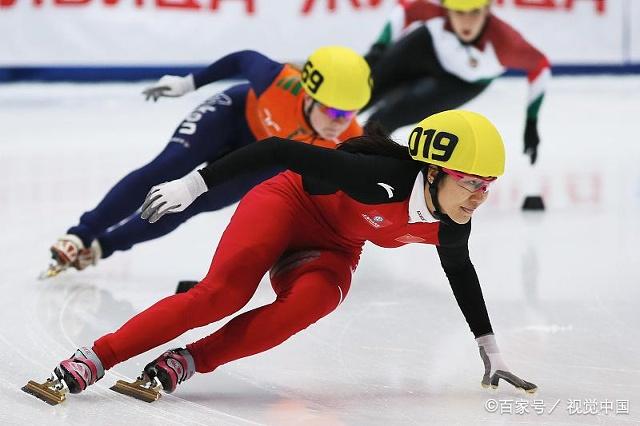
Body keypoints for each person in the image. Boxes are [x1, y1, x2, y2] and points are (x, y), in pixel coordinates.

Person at [26, 110, 536, 405]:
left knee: (319, 299)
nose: (478, 197)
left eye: (487, 187)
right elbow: (275, 149)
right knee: (221, 296)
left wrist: (490, 350)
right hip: (286, 204)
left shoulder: (454, 221)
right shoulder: (377, 176)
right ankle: (96, 357)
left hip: (334, 245)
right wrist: (193, 185)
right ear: (433, 171)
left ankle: (188, 361)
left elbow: (459, 271)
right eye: (470, 183)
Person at [43, 46, 371, 277]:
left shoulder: (347, 138)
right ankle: (81, 234)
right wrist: (190, 83)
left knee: (192, 202)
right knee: (166, 169)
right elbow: (243, 59)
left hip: (262, 157)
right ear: (309, 94)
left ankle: (101, 247)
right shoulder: (278, 81)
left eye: (347, 113)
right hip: (230, 116)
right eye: (331, 110)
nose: (338, 121)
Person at [363, 0, 551, 165]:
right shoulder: (434, 9)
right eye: (459, 12)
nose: (467, 22)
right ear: (446, 10)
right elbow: (405, 10)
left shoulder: (506, 43)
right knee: (364, 88)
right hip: (425, 47)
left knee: (385, 118)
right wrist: (380, 46)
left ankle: (355, 157)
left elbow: (540, 65)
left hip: (461, 83)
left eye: (475, 12)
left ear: (487, 10)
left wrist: (531, 122)